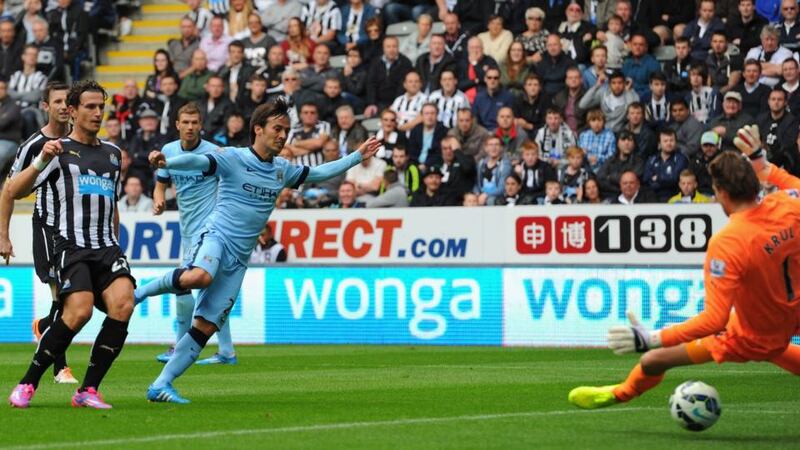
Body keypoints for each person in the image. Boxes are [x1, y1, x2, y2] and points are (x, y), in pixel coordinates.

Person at [143, 100, 381, 403]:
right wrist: (168, 163)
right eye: (277, 129)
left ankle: (161, 384)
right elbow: (200, 162)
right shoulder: (233, 157)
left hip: (240, 258)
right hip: (216, 235)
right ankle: (139, 292)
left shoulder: (282, 170)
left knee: (204, 328)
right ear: (258, 129)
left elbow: (319, 173)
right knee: (200, 277)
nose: (283, 136)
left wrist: (357, 157)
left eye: (286, 130)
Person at [569, 130, 800, 411]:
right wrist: (761, 161)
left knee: (653, 360)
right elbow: (782, 180)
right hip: (790, 316)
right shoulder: (790, 202)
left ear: (721, 193)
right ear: (754, 183)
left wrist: (653, 338)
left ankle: (620, 393)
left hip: (752, 335)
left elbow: (714, 320)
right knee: (775, 347)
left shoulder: (729, 242)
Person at [7, 81, 135, 409]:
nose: (96, 113)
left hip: (106, 247)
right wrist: (38, 163)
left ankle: (88, 390)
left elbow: (112, 203)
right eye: (89, 107)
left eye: (100, 106)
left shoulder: (112, 154)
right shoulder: (57, 150)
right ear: (73, 112)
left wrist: (117, 243)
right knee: (78, 312)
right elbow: (14, 190)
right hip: (71, 247)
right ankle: (28, 382)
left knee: (124, 303)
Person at [0, 82, 74, 384]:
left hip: (78, 231)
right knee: (64, 295)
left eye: (68, 101)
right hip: (48, 226)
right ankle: (60, 368)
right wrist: (3, 236)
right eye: (57, 101)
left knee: (73, 299)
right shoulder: (33, 145)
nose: (63, 106)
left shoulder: (82, 142)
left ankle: (44, 324)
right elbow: (8, 190)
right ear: (46, 106)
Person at [364, 36, 412, 116]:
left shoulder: (405, 63)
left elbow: (403, 87)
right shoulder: (375, 62)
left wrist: (395, 105)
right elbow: (371, 84)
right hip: (378, 103)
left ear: (398, 47)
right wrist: (371, 103)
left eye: (394, 46)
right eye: (388, 47)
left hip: (399, 103)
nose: (391, 50)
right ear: (383, 48)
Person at [642, 128, 689, 202]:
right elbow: (647, 180)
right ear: (659, 144)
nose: (669, 143)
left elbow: (675, 179)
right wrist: (665, 180)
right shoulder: (652, 159)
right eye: (665, 141)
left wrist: (657, 178)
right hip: (653, 198)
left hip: (675, 197)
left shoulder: (681, 159)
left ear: (676, 143)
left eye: (671, 140)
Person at [596, 130, 644, 199]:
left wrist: (610, 177)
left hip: (632, 198)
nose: (626, 143)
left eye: (630, 140)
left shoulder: (639, 162)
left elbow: (631, 180)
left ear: (634, 144)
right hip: (610, 196)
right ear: (617, 143)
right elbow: (600, 178)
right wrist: (619, 189)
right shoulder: (610, 160)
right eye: (623, 139)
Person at [471, 67, 515, 132]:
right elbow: (475, 119)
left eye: (495, 78)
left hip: (502, 132)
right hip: (482, 133)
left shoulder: (508, 97)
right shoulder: (479, 97)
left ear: (499, 80)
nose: (492, 80)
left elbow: (511, 119)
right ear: (485, 79)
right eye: (489, 78)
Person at [407, 102, 447, 168]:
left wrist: (426, 165)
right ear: (422, 115)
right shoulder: (415, 130)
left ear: (437, 115)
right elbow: (412, 151)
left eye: (432, 113)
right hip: (416, 164)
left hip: (434, 165)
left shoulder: (443, 131)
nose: (429, 116)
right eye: (427, 113)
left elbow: (439, 153)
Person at [475, 135, 512, 206]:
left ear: (501, 148)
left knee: (490, 200)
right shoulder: (481, 163)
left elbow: (502, 188)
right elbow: (476, 183)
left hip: (497, 197)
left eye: (496, 145)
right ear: (486, 148)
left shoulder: (505, 165)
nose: (493, 148)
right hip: (482, 195)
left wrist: (486, 195)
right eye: (491, 145)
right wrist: (476, 194)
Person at [622, 34, 660, 98]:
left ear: (646, 47)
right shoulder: (626, 63)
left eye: (641, 45)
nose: (637, 47)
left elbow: (656, 86)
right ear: (631, 46)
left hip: (644, 98)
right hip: (626, 96)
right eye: (635, 44)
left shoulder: (653, 64)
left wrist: (633, 90)